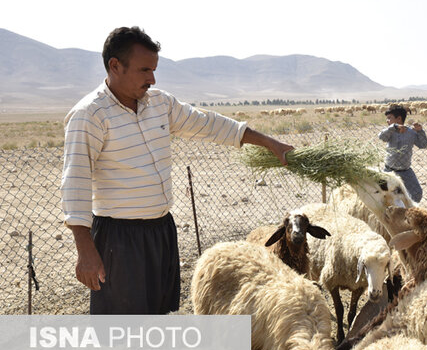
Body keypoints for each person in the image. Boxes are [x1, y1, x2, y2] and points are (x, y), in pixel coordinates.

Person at [60, 26, 293, 314]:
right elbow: (76, 182)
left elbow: (210, 124)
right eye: (145, 70)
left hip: (160, 232)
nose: (152, 78)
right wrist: (85, 251)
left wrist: (269, 143)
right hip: (119, 240)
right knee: (121, 327)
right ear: (115, 66)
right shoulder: (90, 115)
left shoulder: (160, 103)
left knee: (158, 314)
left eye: (154, 70)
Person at [378, 104, 427, 202]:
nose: (387, 121)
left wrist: (420, 131)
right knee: (383, 195)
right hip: (389, 170)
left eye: (389, 118)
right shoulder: (390, 132)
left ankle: (407, 211)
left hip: (405, 171)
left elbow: (423, 145)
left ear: (399, 118)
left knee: (417, 193)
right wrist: (393, 127)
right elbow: (381, 137)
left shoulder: (411, 133)